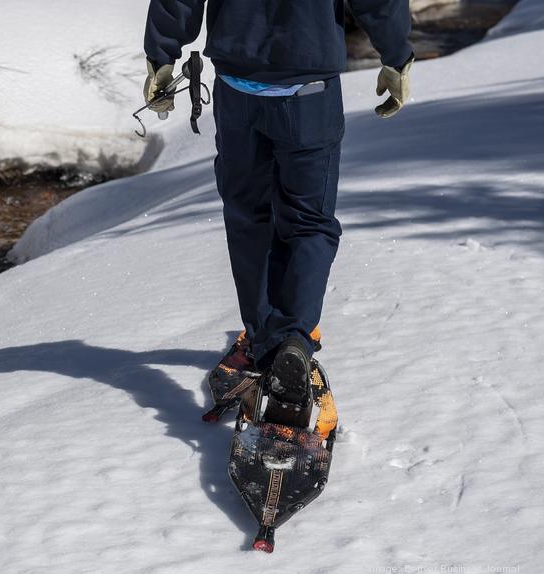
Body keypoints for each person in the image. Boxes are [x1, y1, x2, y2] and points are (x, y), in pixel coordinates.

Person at [143, 0, 413, 420]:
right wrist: (396, 56)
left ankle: (265, 337)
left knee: (249, 217)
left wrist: (161, 55)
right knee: (308, 222)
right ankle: (292, 340)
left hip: (237, 87)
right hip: (309, 90)